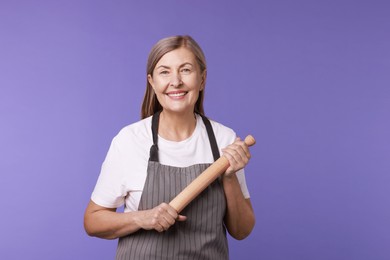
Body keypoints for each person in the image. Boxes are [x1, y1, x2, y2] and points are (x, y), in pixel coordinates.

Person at [84, 35, 255, 259]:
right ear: (152, 82)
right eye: (165, 71)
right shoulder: (130, 140)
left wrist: (230, 177)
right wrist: (141, 218)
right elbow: (92, 220)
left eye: (185, 70)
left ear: (202, 79)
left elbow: (241, 231)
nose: (175, 81)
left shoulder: (224, 140)